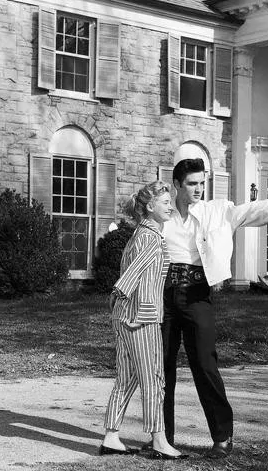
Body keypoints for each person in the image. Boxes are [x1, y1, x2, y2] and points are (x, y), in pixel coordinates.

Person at [160, 158, 268, 458]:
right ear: (177, 184)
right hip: (162, 295)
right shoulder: (162, 214)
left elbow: (251, 212)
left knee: (204, 363)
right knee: (161, 369)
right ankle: (162, 438)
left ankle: (222, 437)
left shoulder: (218, 211)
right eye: (192, 184)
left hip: (197, 295)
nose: (199, 189)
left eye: (202, 183)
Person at [100, 181, 188, 461]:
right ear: (150, 207)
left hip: (125, 316)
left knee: (126, 379)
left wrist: (118, 298)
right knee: (154, 380)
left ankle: (111, 437)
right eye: (165, 203)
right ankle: (159, 440)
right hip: (142, 317)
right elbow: (135, 271)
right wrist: (118, 291)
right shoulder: (152, 237)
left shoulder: (139, 233)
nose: (171, 207)